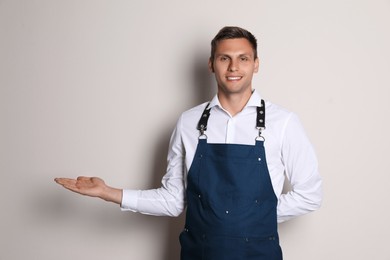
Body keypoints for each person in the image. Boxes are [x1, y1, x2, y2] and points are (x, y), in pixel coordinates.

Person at [55, 26, 322, 260]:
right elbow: (173, 200)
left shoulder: (284, 122)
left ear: (256, 64)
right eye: (224, 58)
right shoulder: (188, 122)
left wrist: (253, 218)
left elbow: (310, 195)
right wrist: (108, 192)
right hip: (200, 253)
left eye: (243, 58)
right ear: (211, 64)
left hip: (259, 254)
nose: (233, 67)